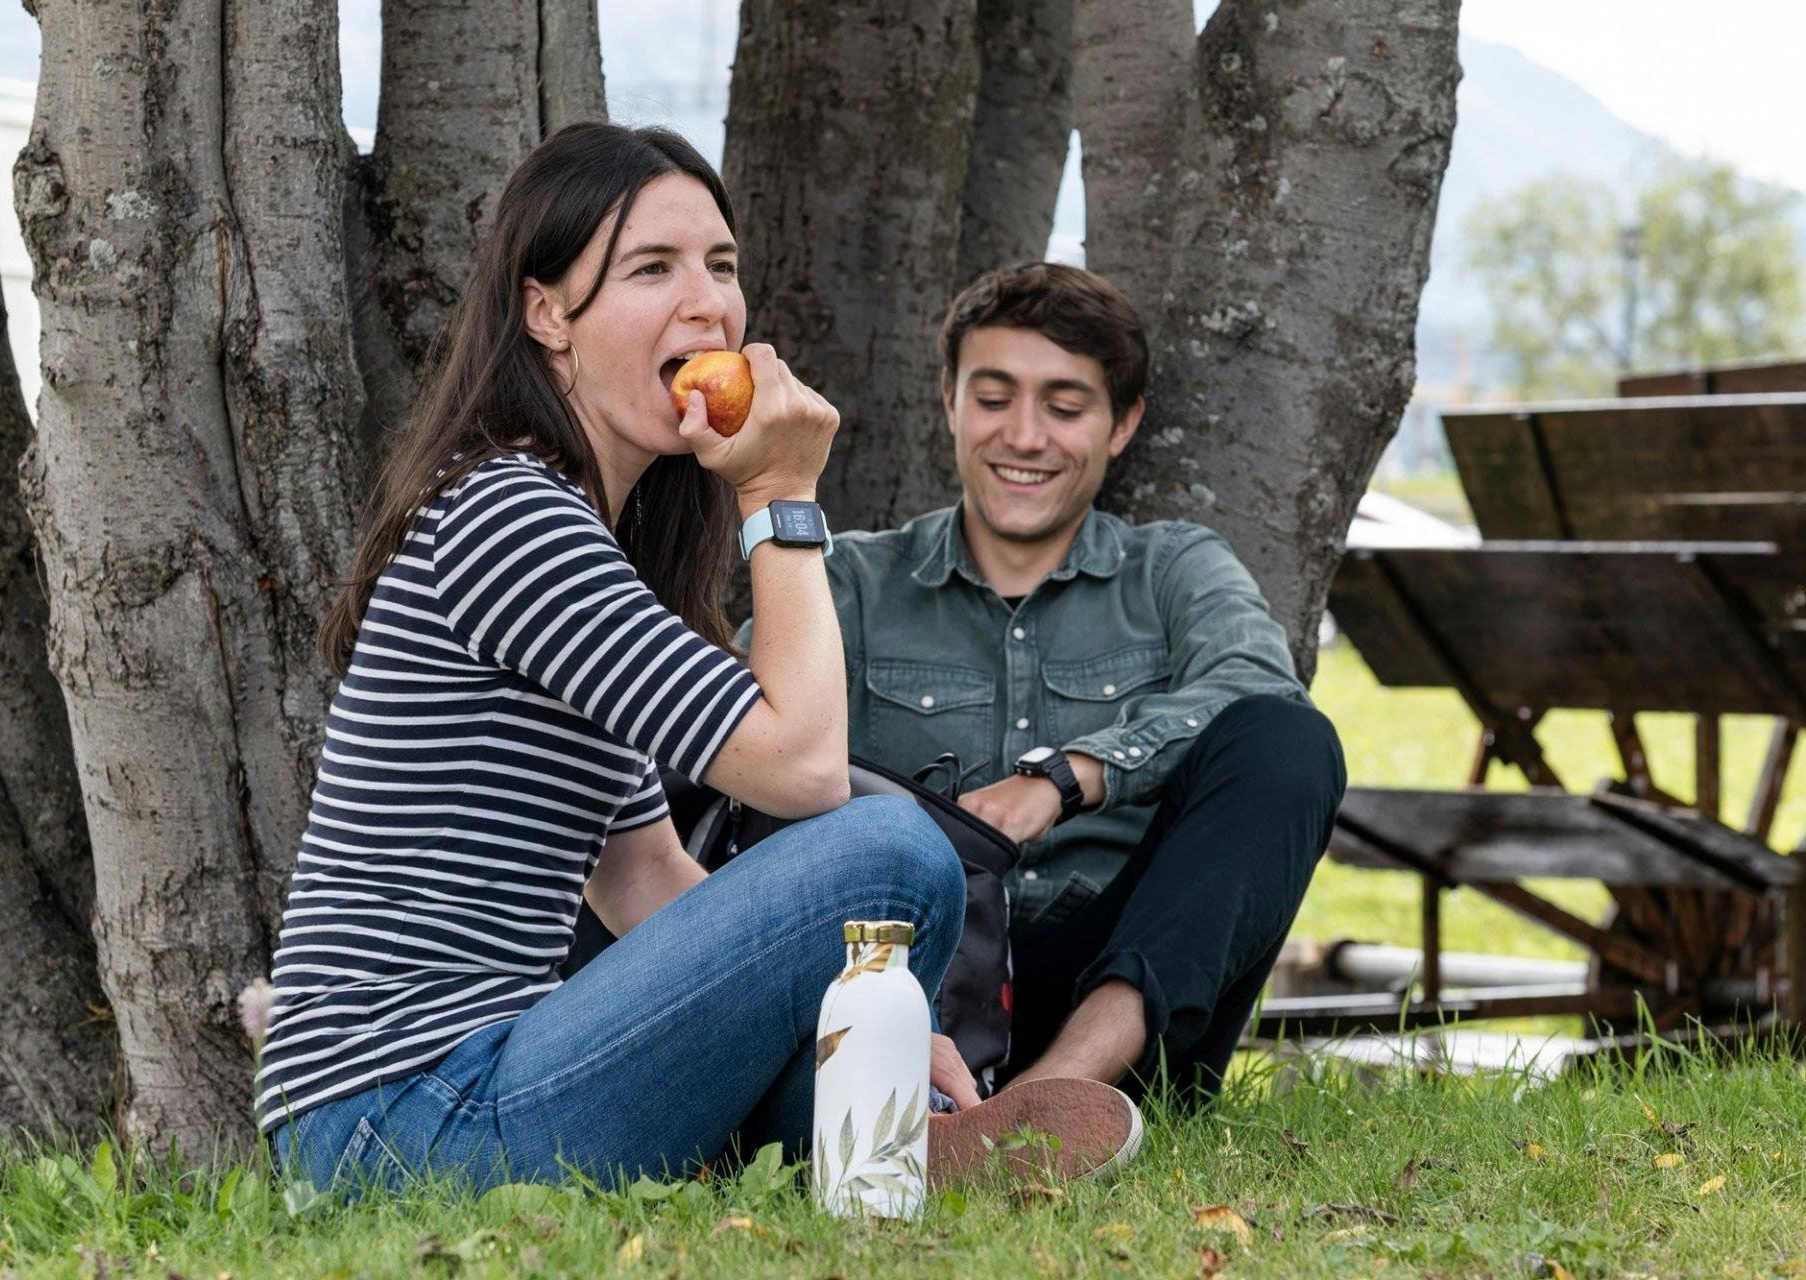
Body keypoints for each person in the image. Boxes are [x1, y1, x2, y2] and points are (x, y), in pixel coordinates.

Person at [258, 125, 1137, 1197]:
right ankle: (877, 1143)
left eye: (721, 265)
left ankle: (894, 1139)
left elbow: (644, 876)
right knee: (894, 849)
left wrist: (890, 1027)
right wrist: (781, 496)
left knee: (867, 916)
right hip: (403, 1118)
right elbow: (804, 772)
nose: (708, 304)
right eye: (652, 269)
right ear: (547, 313)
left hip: (452, 1098)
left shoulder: (576, 530)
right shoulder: (507, 515)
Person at [740, 262, 1347, 1109]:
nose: (1025, 437)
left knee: (1289, 738)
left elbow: (1258, 686)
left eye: (1064, 409)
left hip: (1122, 990)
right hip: (912, 987)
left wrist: (1067, 778)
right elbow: (733, 743)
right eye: (994, 399)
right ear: (949, 401)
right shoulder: (851, 584)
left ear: (1122, 424)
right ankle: (966, 1110)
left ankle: (1054, 1100)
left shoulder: (1174, 569)